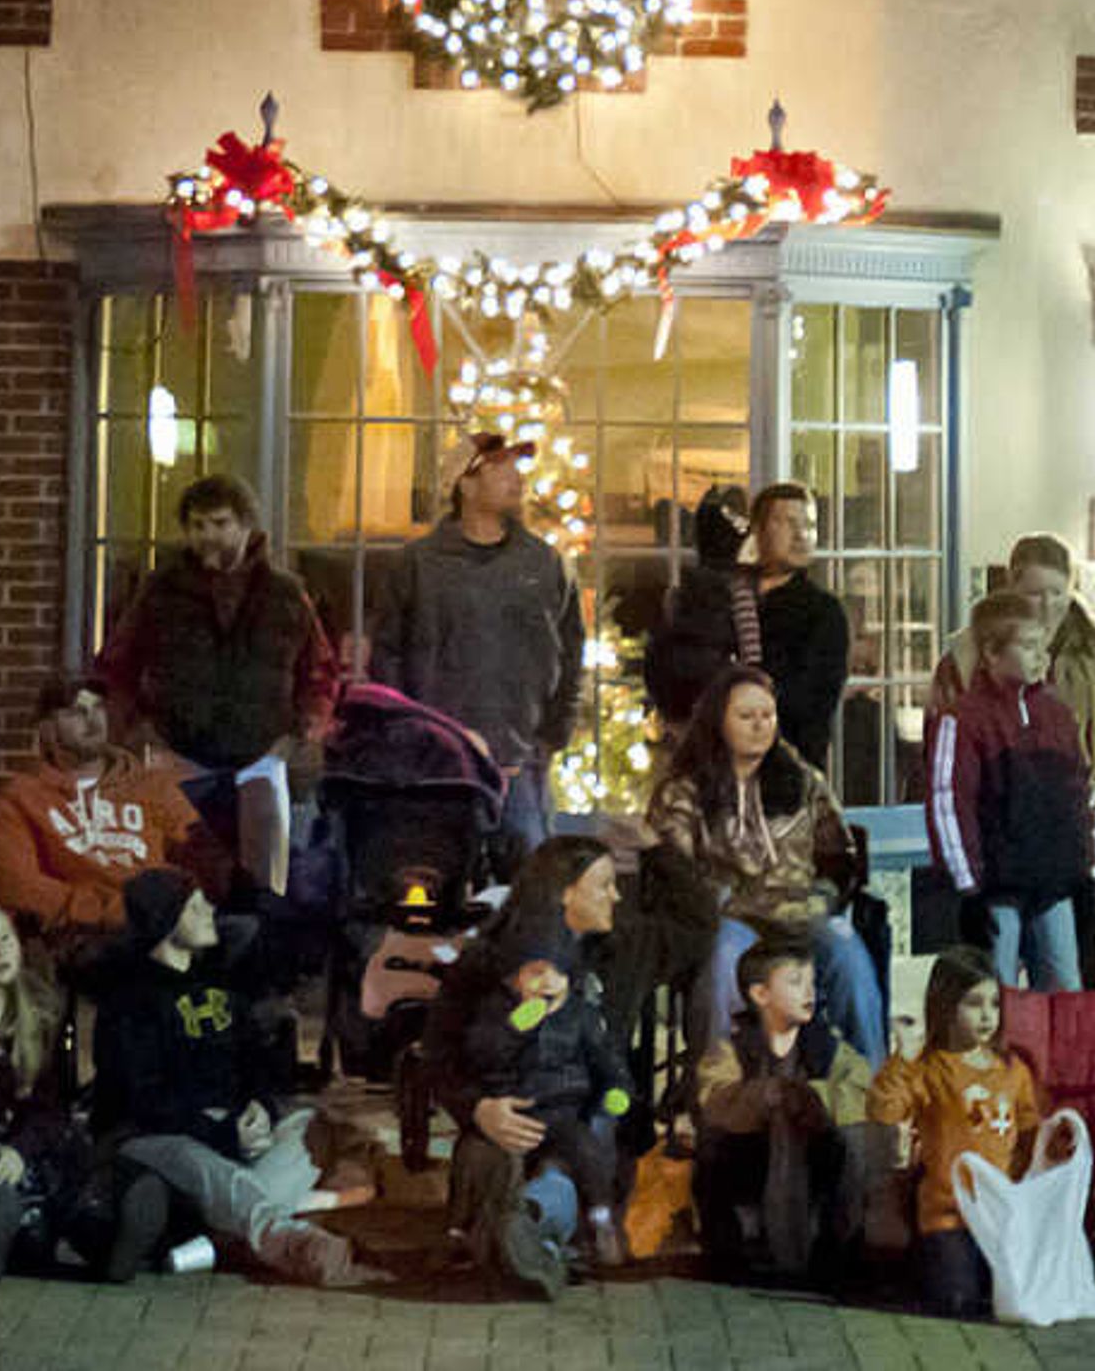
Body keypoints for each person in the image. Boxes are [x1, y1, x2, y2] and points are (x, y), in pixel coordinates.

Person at [90, 868, 377, 1286]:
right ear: (166, 922)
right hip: (154, 1135)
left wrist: (260, 1106)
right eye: (194, 906)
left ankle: (214, 1241)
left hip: (233, 1129)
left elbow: (253, 1061)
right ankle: (290, 1240)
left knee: (310, 1126)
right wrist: (222, 1130)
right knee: (202, 1165)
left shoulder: (220, 983)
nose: (210, 910)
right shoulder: (129, 999)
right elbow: (140, 1099)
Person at [0, 898, 167, 1287]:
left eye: (5, 939)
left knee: (67, 1157)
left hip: (24, 1146)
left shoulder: (40, 1010)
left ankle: (111, 1244)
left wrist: (20, 1149)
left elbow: (49, 1105)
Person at [933, 532, 1095, 977]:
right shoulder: (967, 656)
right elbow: (945, 774)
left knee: (1073, 978)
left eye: (1058, 593)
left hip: (1070, 856)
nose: (1047, 605)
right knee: (994, 983)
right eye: (1034, 593)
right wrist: (967, 875)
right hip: (997, 860)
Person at [647, 664, 885, 1057]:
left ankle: (870, 1092)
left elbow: (838, 857)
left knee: (847, 953)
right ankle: (718, 1089)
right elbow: (674, 870)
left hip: (800, 913)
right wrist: (722, 904)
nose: (760, 725)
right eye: (746, 716)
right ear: (718, 721)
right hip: (730, 918)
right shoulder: (683, 790)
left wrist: (822, 898)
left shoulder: (802, 780)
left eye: (767, 715)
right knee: (723, 956)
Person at [438, 835, 633, 1298]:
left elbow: (694, 923)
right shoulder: (489, 967)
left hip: (577, 1120)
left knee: (563, 1170)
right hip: (505, 1110)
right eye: (604, 885)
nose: (616, 896)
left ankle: (524, 1225)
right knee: (488, 1154)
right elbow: (441, 1058)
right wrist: (479, 1108)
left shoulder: (618, 951)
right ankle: (504, 1241)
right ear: (565, 891)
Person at [369, 432, 583, 848]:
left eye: (516, 467)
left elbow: (571, 649)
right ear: (464, 484)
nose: (515, 478)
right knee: (438, 879)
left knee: (527, 879)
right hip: (438, 763)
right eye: (498, 467)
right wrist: (410, 734)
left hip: (523, 761)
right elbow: (387, 655)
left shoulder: (544, 564)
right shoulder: (417, 566)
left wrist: (554, 733)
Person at [92, 474, 343, 788]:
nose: (207, 535)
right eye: (197, 525)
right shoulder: (161, 590)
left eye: (220, 523)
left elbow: (319, 672)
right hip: (176, 759)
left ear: (246, 526)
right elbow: (118, 666)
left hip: (264, 762)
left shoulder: (286, 595)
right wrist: (138, 737)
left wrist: (304, 736)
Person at [868, 943, 1052, 1320]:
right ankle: (920, 1262)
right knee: (956, 1302)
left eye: (993, 1004)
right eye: (974, 1004)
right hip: (947, 1213)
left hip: (1002, 1214)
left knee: (1013, 1298)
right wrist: (902, 1059)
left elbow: (1031, 1128)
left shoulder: (1011, 1069)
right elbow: (884, 1109)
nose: (987, 1016)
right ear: (945, 1005)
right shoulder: (931, 1068)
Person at [926, 591, 1095, 989]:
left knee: (1063, 989)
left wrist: (1087, 863)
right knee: (995, 991)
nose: (1042, 657)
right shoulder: (964, 719)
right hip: (995, 885)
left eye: (1044, 646)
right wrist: (967, 884)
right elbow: (949, 803)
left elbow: (1080, 790)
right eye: (1028, 646)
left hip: (1053, 880)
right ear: (991, 653)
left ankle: (1050, 1055)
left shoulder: (1057, 715)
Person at [0, 674, 207, 970]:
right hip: (82, 933)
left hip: (162, 919)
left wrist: (171, 905)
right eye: (77, 712)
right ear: (47, 728)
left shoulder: (153, 786)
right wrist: (111, 909)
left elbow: (199, 855)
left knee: (244, 934)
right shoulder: (22, 797)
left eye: (98, 708)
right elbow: (17, 886)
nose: (92, 721)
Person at [690, 938, 875, 1289]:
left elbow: (862, 1089)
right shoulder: (733, 1047)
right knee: (715, 1142)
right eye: (795, 982)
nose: (810, 991)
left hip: (813, 1157)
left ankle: (835, 1250)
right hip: (750, 1157)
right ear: (760, 994)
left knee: (851, 1139)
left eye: (812, 981)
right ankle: (731, 1248)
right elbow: (714, 1099)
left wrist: (811, 1098)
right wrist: (762, 1098)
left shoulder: (826, 1046)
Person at [649, 482, 853, 774]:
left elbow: (811, 703)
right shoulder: (716, 597)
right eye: (786, 522)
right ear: (758, 530)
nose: (801, 534)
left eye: (808, 524)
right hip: (709, 772)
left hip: (784, 777)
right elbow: (668, 668)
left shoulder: (824, 613)